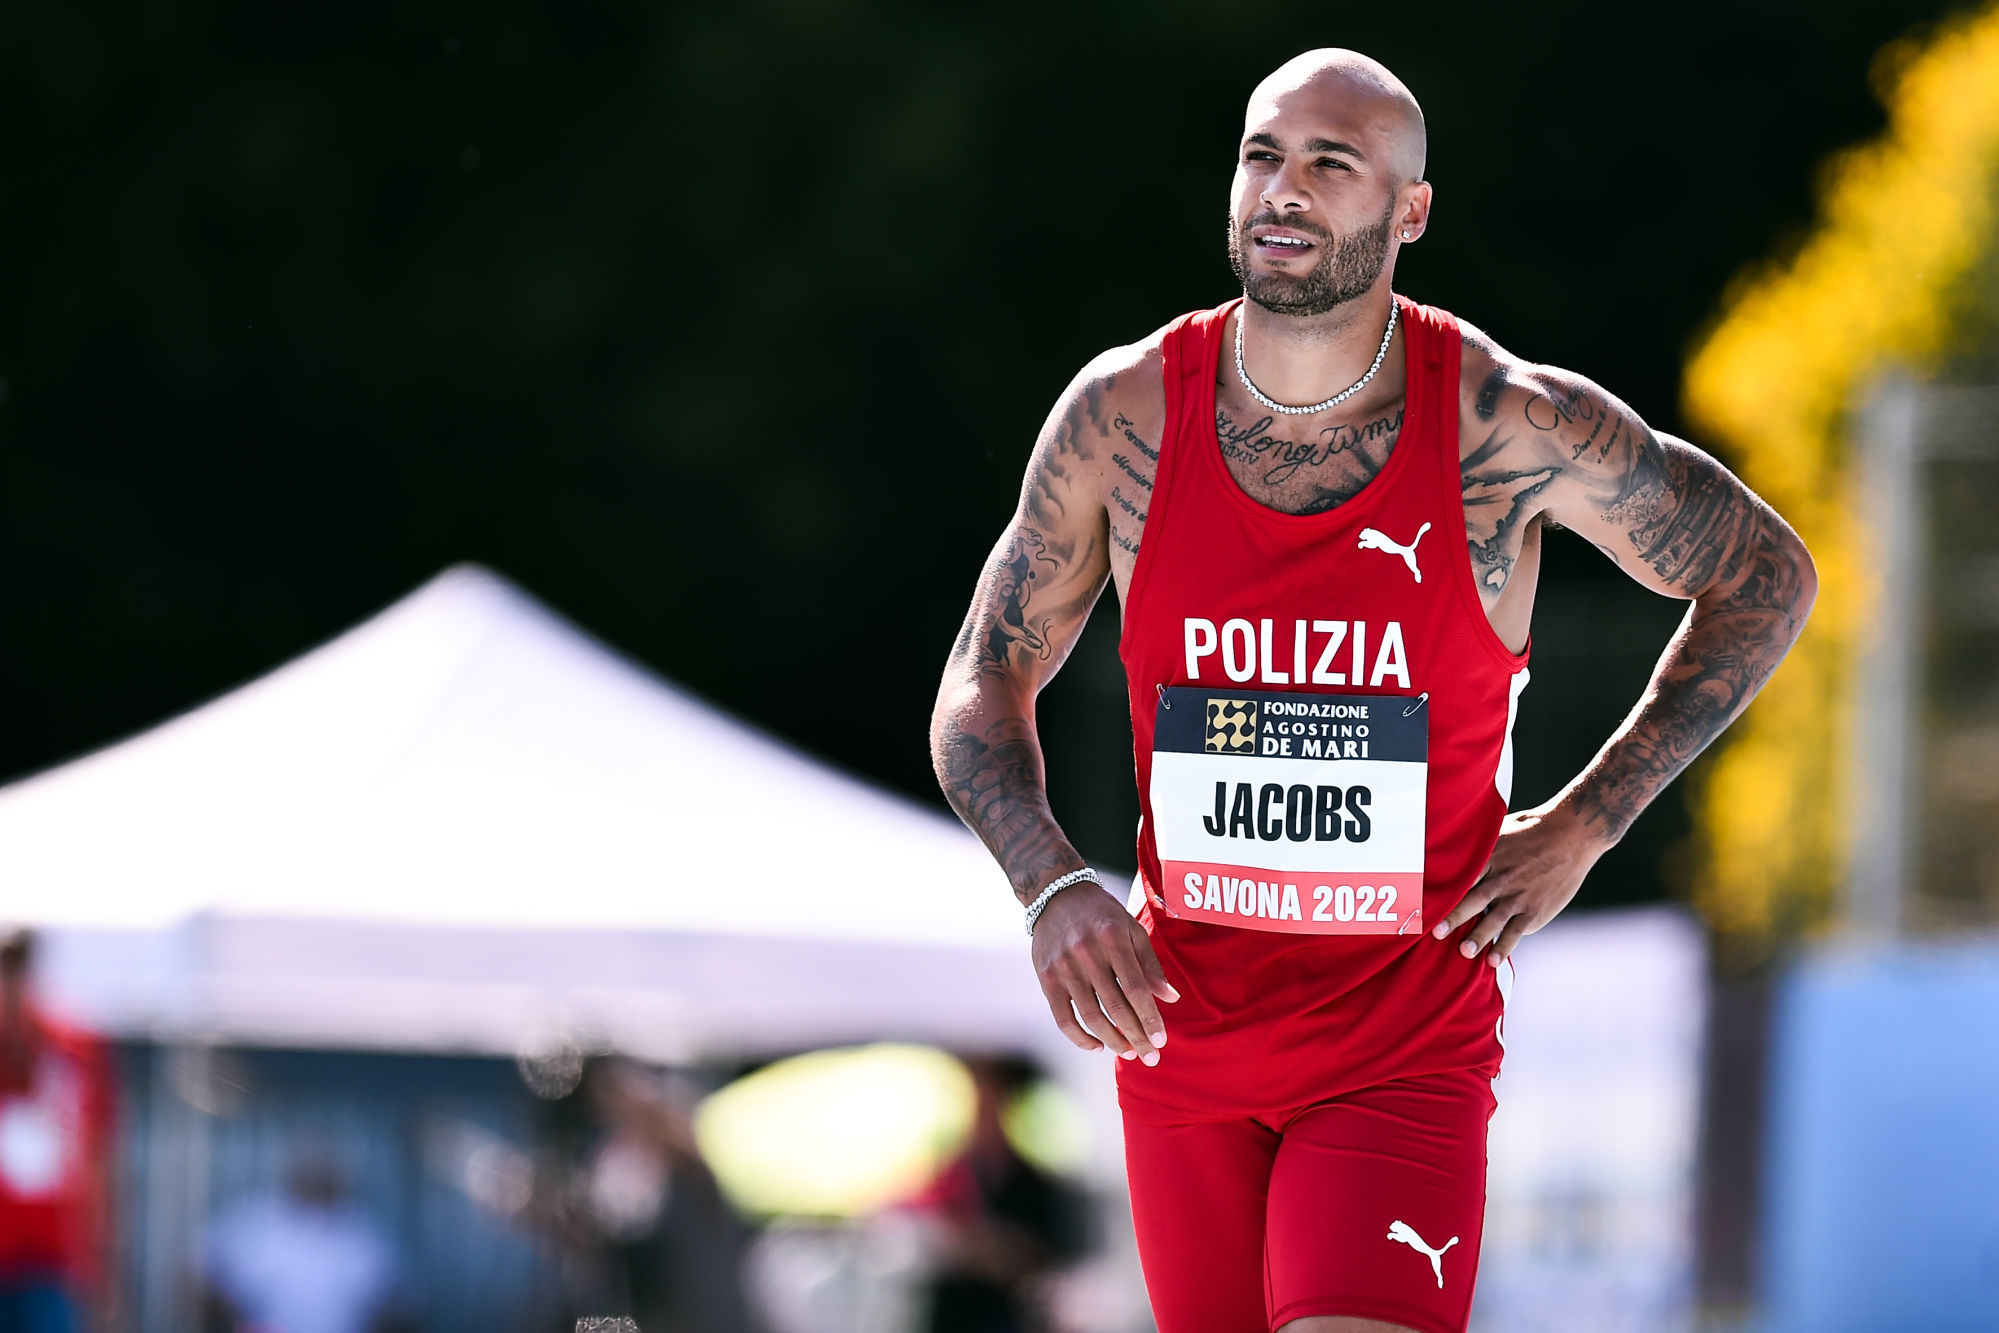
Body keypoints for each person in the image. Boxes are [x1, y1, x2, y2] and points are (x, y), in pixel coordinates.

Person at [929, 48, 1816, 1333]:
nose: (1282, 190)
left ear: (1410, 211)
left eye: (1330, 164)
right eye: (1261, 156)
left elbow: (1765, 576)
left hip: (1401, 1052)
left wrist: (1589, 819)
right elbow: (982, 676)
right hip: (1181, 1046)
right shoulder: (1124, 417)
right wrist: (1050, 884)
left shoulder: (1507, 426)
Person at [902, 1057, 1087, 1333]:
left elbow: (1057, 1257)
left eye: (988, 1107)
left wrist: (992, 1249)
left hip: (1011, 1318)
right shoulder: (942, 1176)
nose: (979, 1118)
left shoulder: (1039, 1184)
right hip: (951, 1316)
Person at [0, 929, 116, 1333]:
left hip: (51, 1262)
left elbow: (96, 1162)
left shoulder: (73, 1048)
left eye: (15, 967)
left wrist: (104, 1270)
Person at [200, 1145, 410, 1333]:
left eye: (324, 1169)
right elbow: (196, 1273)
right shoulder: (253, 1221)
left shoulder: (367, 1233)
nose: (316, 1175)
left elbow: (401, 1300)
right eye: (310, 1167)